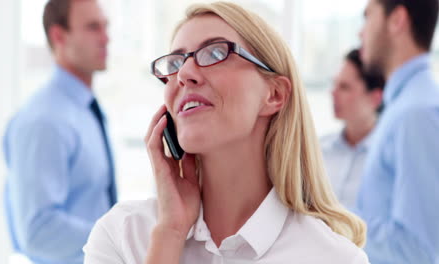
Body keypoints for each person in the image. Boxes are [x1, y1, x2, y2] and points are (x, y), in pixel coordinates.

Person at [84, 2, 368, 264]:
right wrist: (169, 233)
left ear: (274, 94)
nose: (184, 73)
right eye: (175, 62)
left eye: (216, 52)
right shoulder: (123, 236)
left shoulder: (334, 258)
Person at [3, 0, 117, 263]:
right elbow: (38, 231)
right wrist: (118, 238)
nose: (106, 38)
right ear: (58, 35)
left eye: (105, 26)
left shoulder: (85, 111)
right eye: (92, 28)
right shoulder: (44, 120)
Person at [357, 0, 439, 263]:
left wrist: (331, 219)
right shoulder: (405, 107)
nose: (361, 32)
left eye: (368, 16)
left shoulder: (416, 113)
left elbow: (422, 251)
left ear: (397, 20)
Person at [321, 49, 384, 209]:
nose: (333, 92)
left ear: (376, 97)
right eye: (334, 83)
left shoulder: (388, 157)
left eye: (344, 87)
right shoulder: (318, 150)